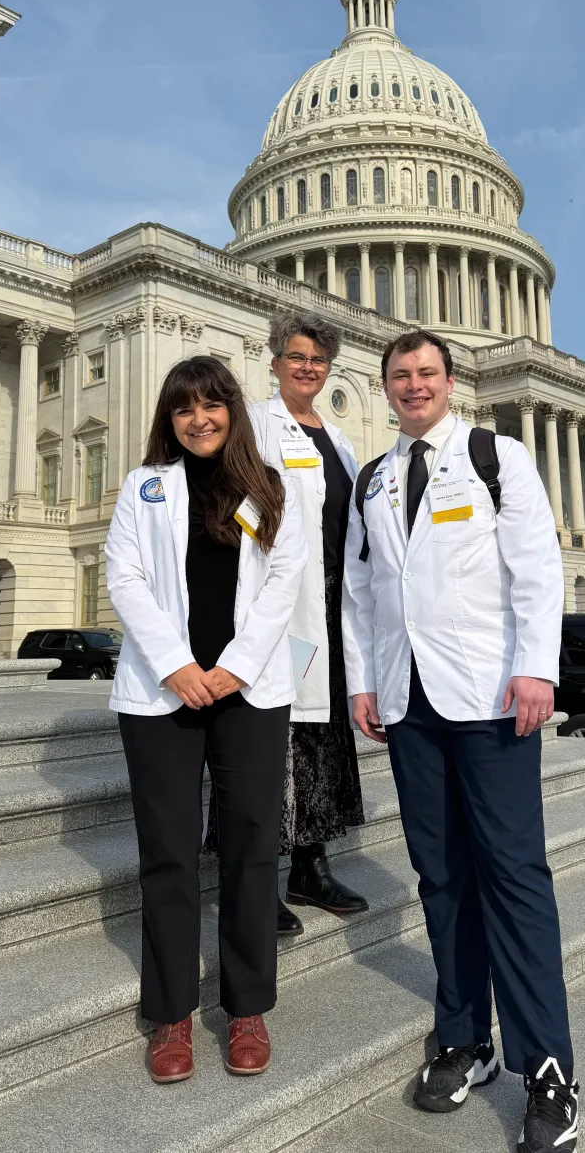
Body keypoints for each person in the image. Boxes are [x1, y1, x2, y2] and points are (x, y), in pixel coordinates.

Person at [342, 331, 578, 1153]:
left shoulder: (495, 456)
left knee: (513, 876)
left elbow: (536, 569)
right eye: (400, 375)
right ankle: (465, 1037)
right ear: (386, 387)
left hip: (489, 694)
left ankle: (548, 1070)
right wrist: (362, 682)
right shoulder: (374, 479)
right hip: (409, 702)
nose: (414, 386)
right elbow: (360, 590)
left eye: (427, 373)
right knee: (440, 876)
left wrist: (537, 669)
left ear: (450, 381)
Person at [106, 356, 307, 1086]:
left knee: (253, 845)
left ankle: (246, 1006)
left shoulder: (267, 489)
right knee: (167, 850)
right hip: (164, 692)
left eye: (212, 404)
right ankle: (171, 1014)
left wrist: (235, 666)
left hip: (247, 688)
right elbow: (121, 574)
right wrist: (176, 665)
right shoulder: (144, 485)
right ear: (170, 416)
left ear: (232, 410)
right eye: (185, 407)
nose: (199, 418)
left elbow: (284, 583)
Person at [250, 311, 367, 936]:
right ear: (274, 362)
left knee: (322, 738)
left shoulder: (339, 438)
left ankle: (310, 862)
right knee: (275, 737)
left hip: (330, 604)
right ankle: (258, 875)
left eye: (318, 360)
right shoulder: (257, 425)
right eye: (296, 357)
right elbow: (241, 510)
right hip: (283, 611)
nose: (307, 368)